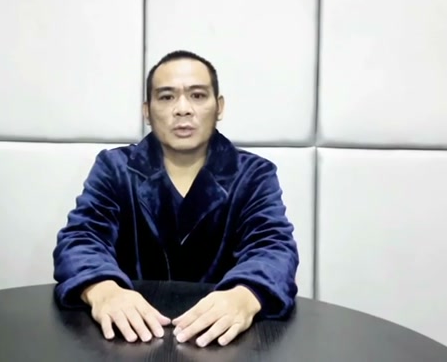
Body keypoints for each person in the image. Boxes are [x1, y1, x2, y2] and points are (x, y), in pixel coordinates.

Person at [52, 50, 299, 347]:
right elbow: (80, 238)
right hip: (129, 340)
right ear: (147, 111)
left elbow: (274, 248)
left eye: (197, 95)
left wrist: (245, 295)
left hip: (224, 343)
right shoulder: (115, 168)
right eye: (167, 97)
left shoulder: (254, 174)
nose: (183, 109)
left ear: (219, 107)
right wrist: (103, 290)